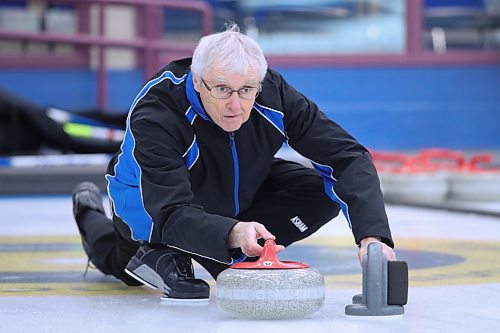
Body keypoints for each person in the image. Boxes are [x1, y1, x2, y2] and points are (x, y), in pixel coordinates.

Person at [72, 23, 396, 303]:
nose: (236, 105)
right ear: (198, 81)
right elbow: (169, 212)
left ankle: (238, 254)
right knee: (124, 265)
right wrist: (230, 232)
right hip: (151, 202)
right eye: (222, 89)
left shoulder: (271, 92)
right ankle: (89, 214)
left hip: (233, 187)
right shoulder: (158, 112)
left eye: (246, 90)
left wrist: (373, 237)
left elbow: (347, 156)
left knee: (321, 191)